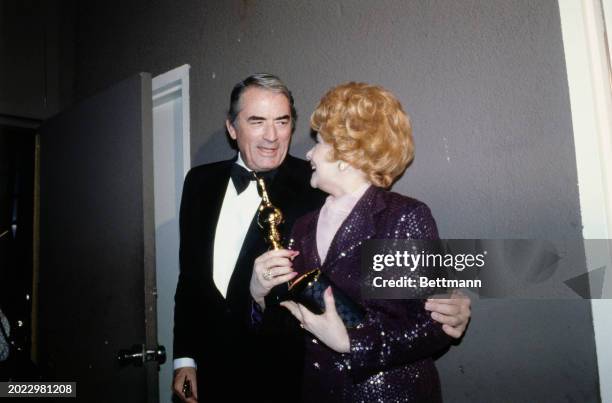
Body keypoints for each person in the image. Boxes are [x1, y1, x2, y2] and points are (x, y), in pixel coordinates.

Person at [173, 74, 470, 402]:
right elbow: (193, 281)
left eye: (283, 122)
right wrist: (254, 298)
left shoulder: (354, 201)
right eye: (257, 121)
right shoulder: (208, 186)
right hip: (240, 376)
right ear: (232, 127)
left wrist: (456, 294)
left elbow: (420, 307)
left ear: (346, 155)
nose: (276, 138)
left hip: (322, 385)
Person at [251, 82, 455, 402]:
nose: (308, 154)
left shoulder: (400, 216)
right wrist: (259, 297)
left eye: (318, 142)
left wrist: (351, 343)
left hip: (389, 395)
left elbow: (434, 326)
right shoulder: (303, 226)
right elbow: (290, 326)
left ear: (345, 154)